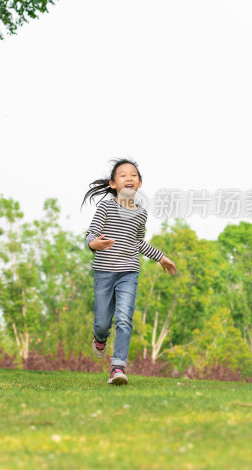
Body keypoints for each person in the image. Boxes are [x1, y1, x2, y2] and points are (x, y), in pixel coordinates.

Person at [82, 159, 176, 385]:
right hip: (104, 271)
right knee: (103, 322)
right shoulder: (105, 207)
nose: (129, 178)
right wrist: (94, 244)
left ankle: (117, 368)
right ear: (113, 184)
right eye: (123, 175)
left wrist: (160, 257)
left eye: (133, 175)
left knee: (124, 318)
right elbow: (91, 233)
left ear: (140, 183)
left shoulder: (141, 214)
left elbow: (138, 242)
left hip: (128, 273)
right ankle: (100, 337)